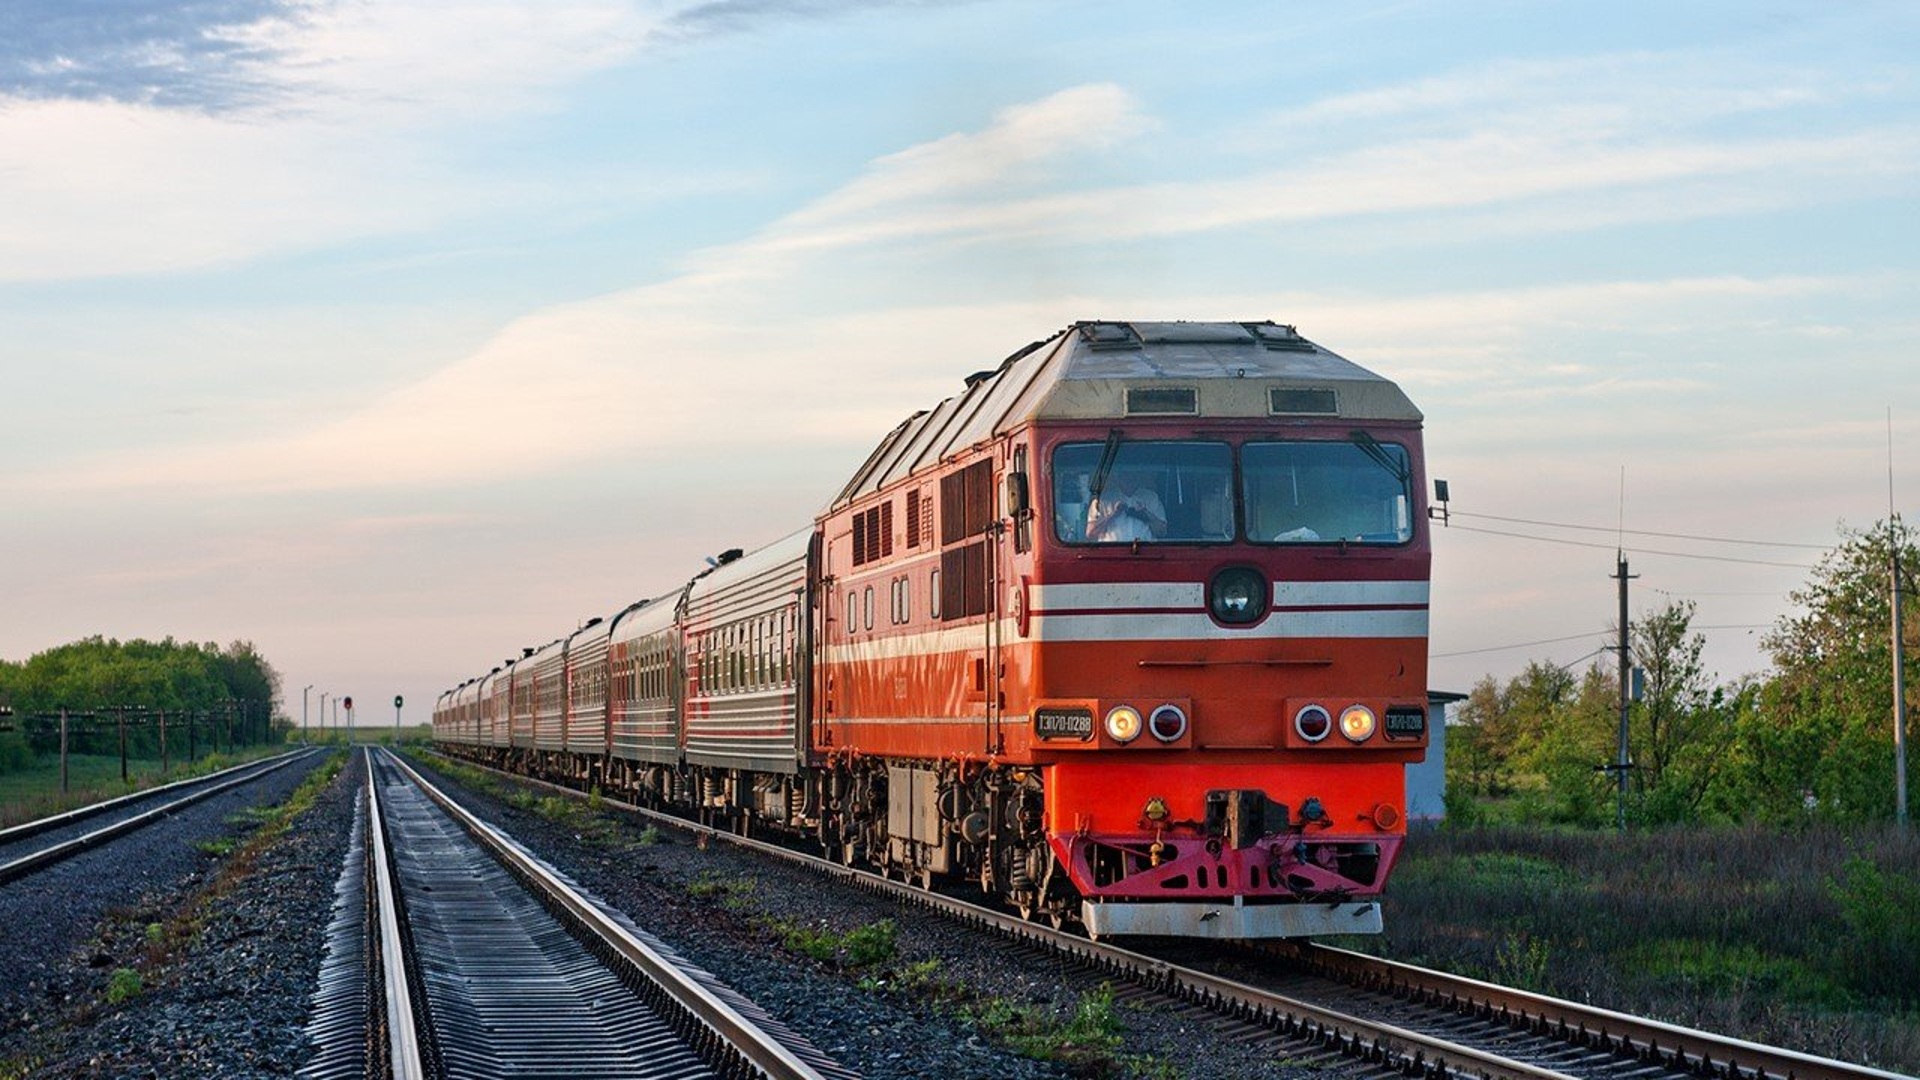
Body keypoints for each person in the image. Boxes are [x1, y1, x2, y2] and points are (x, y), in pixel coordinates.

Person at [1085, 469, 1167, 542]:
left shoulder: (1151, 498)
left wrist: (1145, 514)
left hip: (1146, 553)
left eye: (1133, 474)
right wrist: (1113, 514)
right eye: (1125, 474)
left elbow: (1163, 532)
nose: (1129, 478)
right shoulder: (1102, 499)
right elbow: (1090, 533)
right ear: (1117, 477)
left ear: (1138, 476)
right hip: (1111, 554)